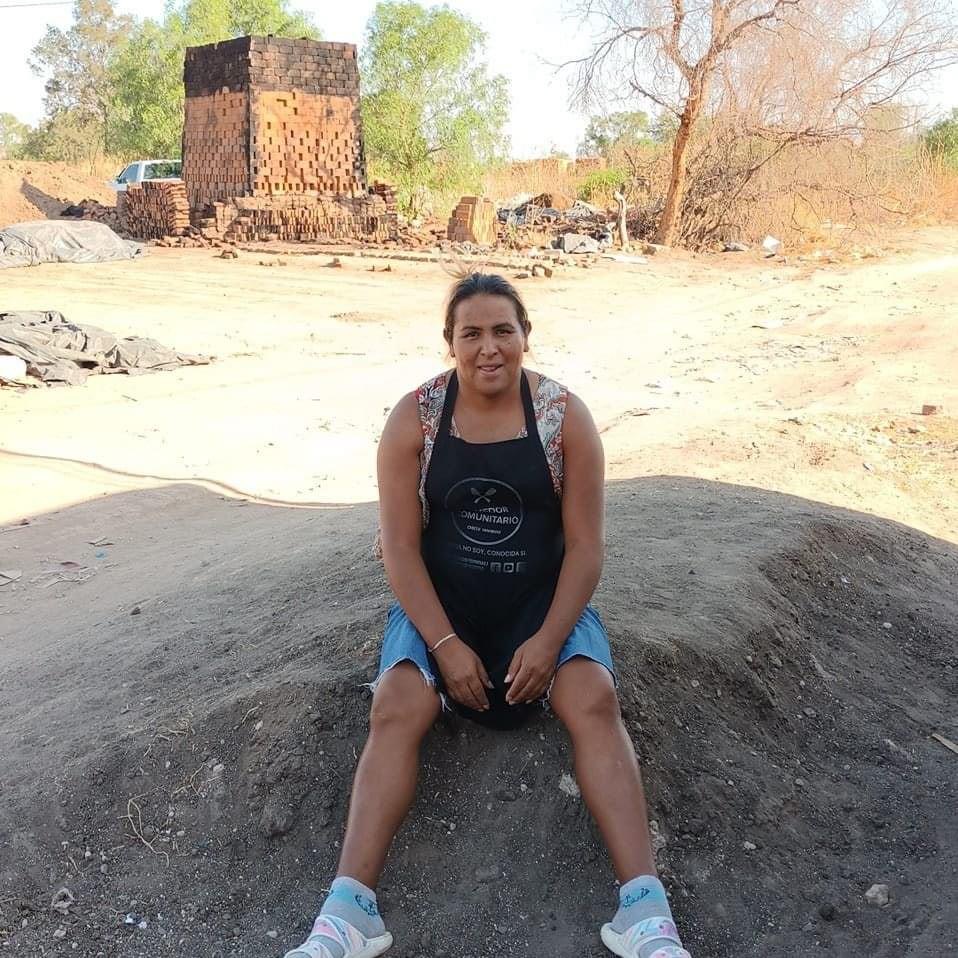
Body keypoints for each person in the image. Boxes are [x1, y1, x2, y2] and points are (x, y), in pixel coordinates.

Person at [284, 273, 692, 958]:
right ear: (450, 342)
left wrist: (549, 640)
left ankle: (646, 914)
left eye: (504, 330)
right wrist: (445, 644)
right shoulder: (415, 418)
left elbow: (586, 550)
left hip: (542, 601)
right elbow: (400, 549)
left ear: (525, 335)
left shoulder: (564, 418)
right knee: (396, 704)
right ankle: (348, 916)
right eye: (471, 333)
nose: (489, 348)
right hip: (442, 603)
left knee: (594, 697)